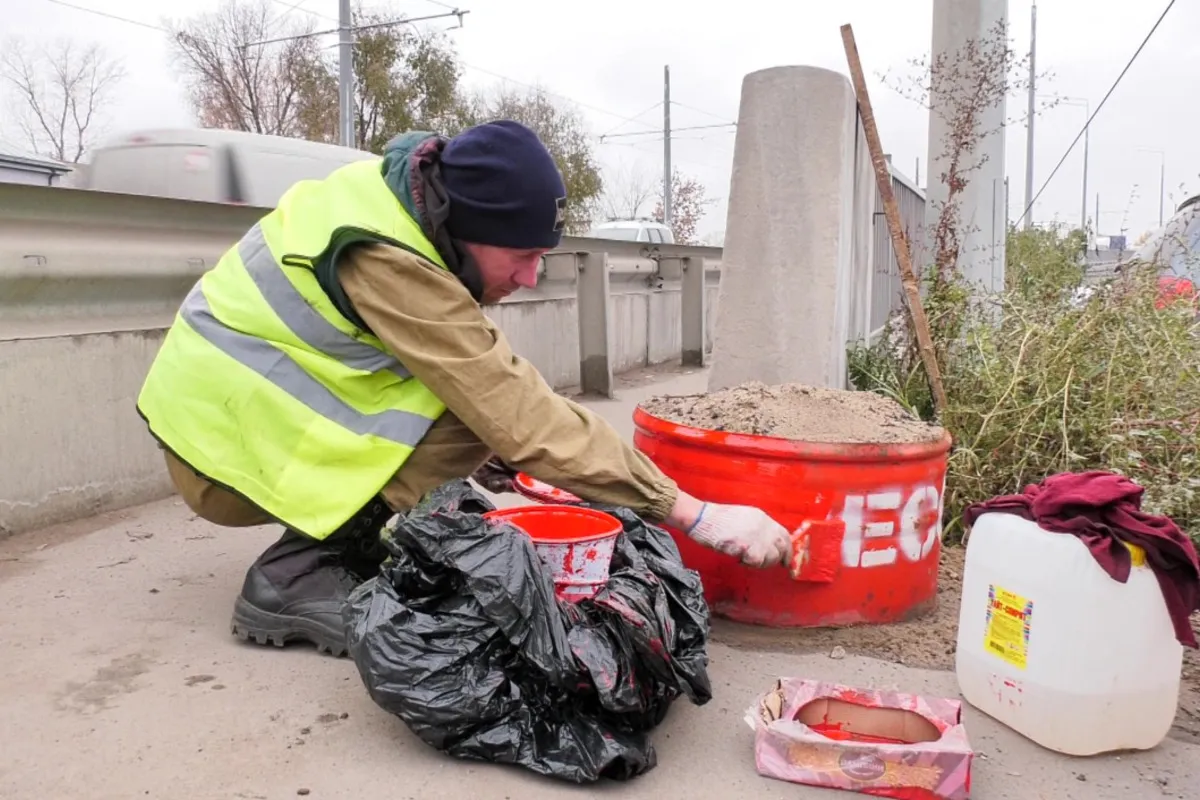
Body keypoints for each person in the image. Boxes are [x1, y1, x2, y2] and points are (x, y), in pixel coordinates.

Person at [136, 120, 792, 657]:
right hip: (215, 452)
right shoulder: (389, 257)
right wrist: (692, 512)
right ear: (473, 232)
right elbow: (520, 412)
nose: (533, 277)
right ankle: (296, 574)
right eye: (524, 256)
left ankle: (345, 545)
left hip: (234, 415)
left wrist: (506, 458)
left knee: (480, 411)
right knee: (485, 412)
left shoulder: (404, 204)